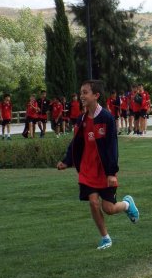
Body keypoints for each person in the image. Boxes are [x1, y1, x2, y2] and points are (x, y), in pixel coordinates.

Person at [57, 79, 139, 250]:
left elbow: (112, 147)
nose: (81, 96)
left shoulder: (107, 118)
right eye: (81, 93)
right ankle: (105, 238)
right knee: (93, 202)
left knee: (108, 208)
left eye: (85, 93)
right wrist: (67, 160)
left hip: (104, 171)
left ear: (96, 95)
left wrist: (111, 173)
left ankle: (127, 205)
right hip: (87, 170)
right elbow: (76, 142)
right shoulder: (81, 119)